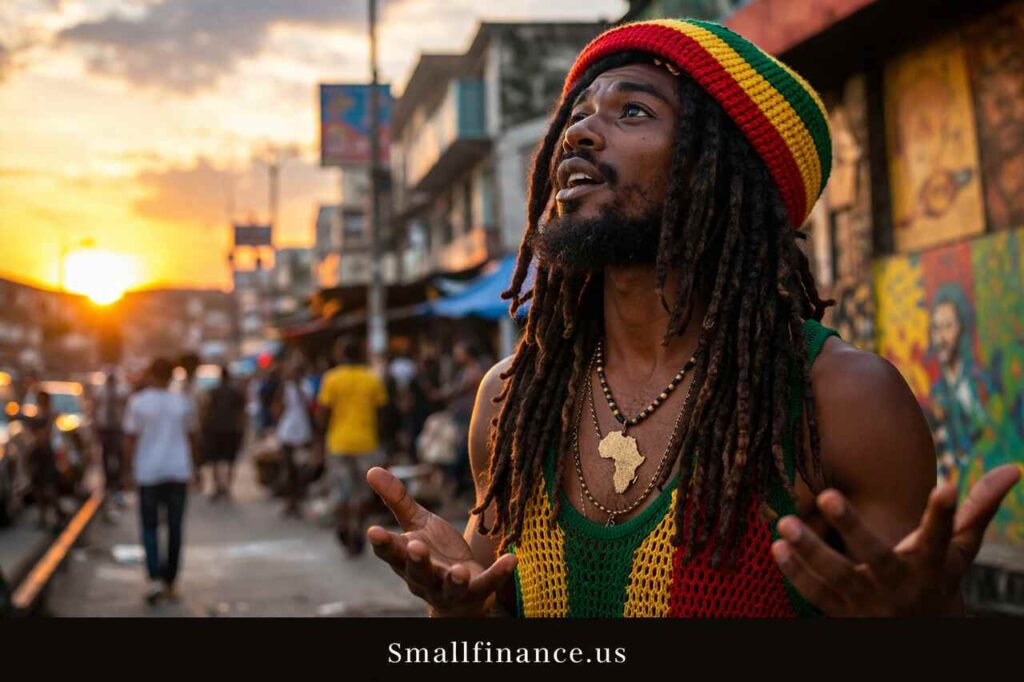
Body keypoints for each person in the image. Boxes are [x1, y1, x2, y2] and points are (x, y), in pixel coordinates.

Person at [364, 19, 1021, 618]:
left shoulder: (842, 400)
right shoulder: (512, 401)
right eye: (580, 113)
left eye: (633, 110)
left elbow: (912, 613)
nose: (579, 132)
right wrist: (458, 611)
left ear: (720, 170)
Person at [124, 357, 195, 605]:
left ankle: (154, 577)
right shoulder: (182, 403)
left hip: (148, 471)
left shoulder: (138, 403)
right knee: (175, 528)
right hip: (177, 470)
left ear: (151, 375)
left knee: (149, 527)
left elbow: (131, 439)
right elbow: (191, 437)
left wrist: (129, 470)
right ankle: (170, 581)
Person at [316, 337, 388, 555]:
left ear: (340, 355)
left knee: (341, 491)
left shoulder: (331, 379)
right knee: (362, 494)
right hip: (367, 443)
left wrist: (321, 440)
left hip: (338, 443)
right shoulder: (372, 379)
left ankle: (343, 528)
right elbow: (382, 413)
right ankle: (358, 530)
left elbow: (323, 413)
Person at [275, 354, 313, 518]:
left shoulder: (305, 387)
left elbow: (309, 406)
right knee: (288, 468)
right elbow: (278, 406)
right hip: (288, 431)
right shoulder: (285, 388)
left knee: (300, 468)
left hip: (302, 432)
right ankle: (290, 501)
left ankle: (297, 500)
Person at [200, 366, 246, 502]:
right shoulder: (235, 392)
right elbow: (242, 413)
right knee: (230, 460)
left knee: (215, 460)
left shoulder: (213, 391)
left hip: (215, 428)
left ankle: (218, 487)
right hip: (231, 429)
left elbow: (206, 410)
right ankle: (227, 488)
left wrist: (204, 426)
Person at [26, 391, 65, 530]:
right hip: (37, 453)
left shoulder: (50, 415)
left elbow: (47, 434)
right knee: (37, 486)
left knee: (49, 486)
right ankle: (44, 516)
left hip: (46, 453)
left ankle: (58, 513)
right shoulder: (37, 414)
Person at [93, 370, 128, 516]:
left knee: (118, 456)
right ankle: (108, 485)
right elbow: (95, 407)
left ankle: (117, 485)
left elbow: (126, 405)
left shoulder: (122, 390)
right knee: (106, 457)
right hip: (105, 427)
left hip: (118, 427)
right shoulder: (100, 391)